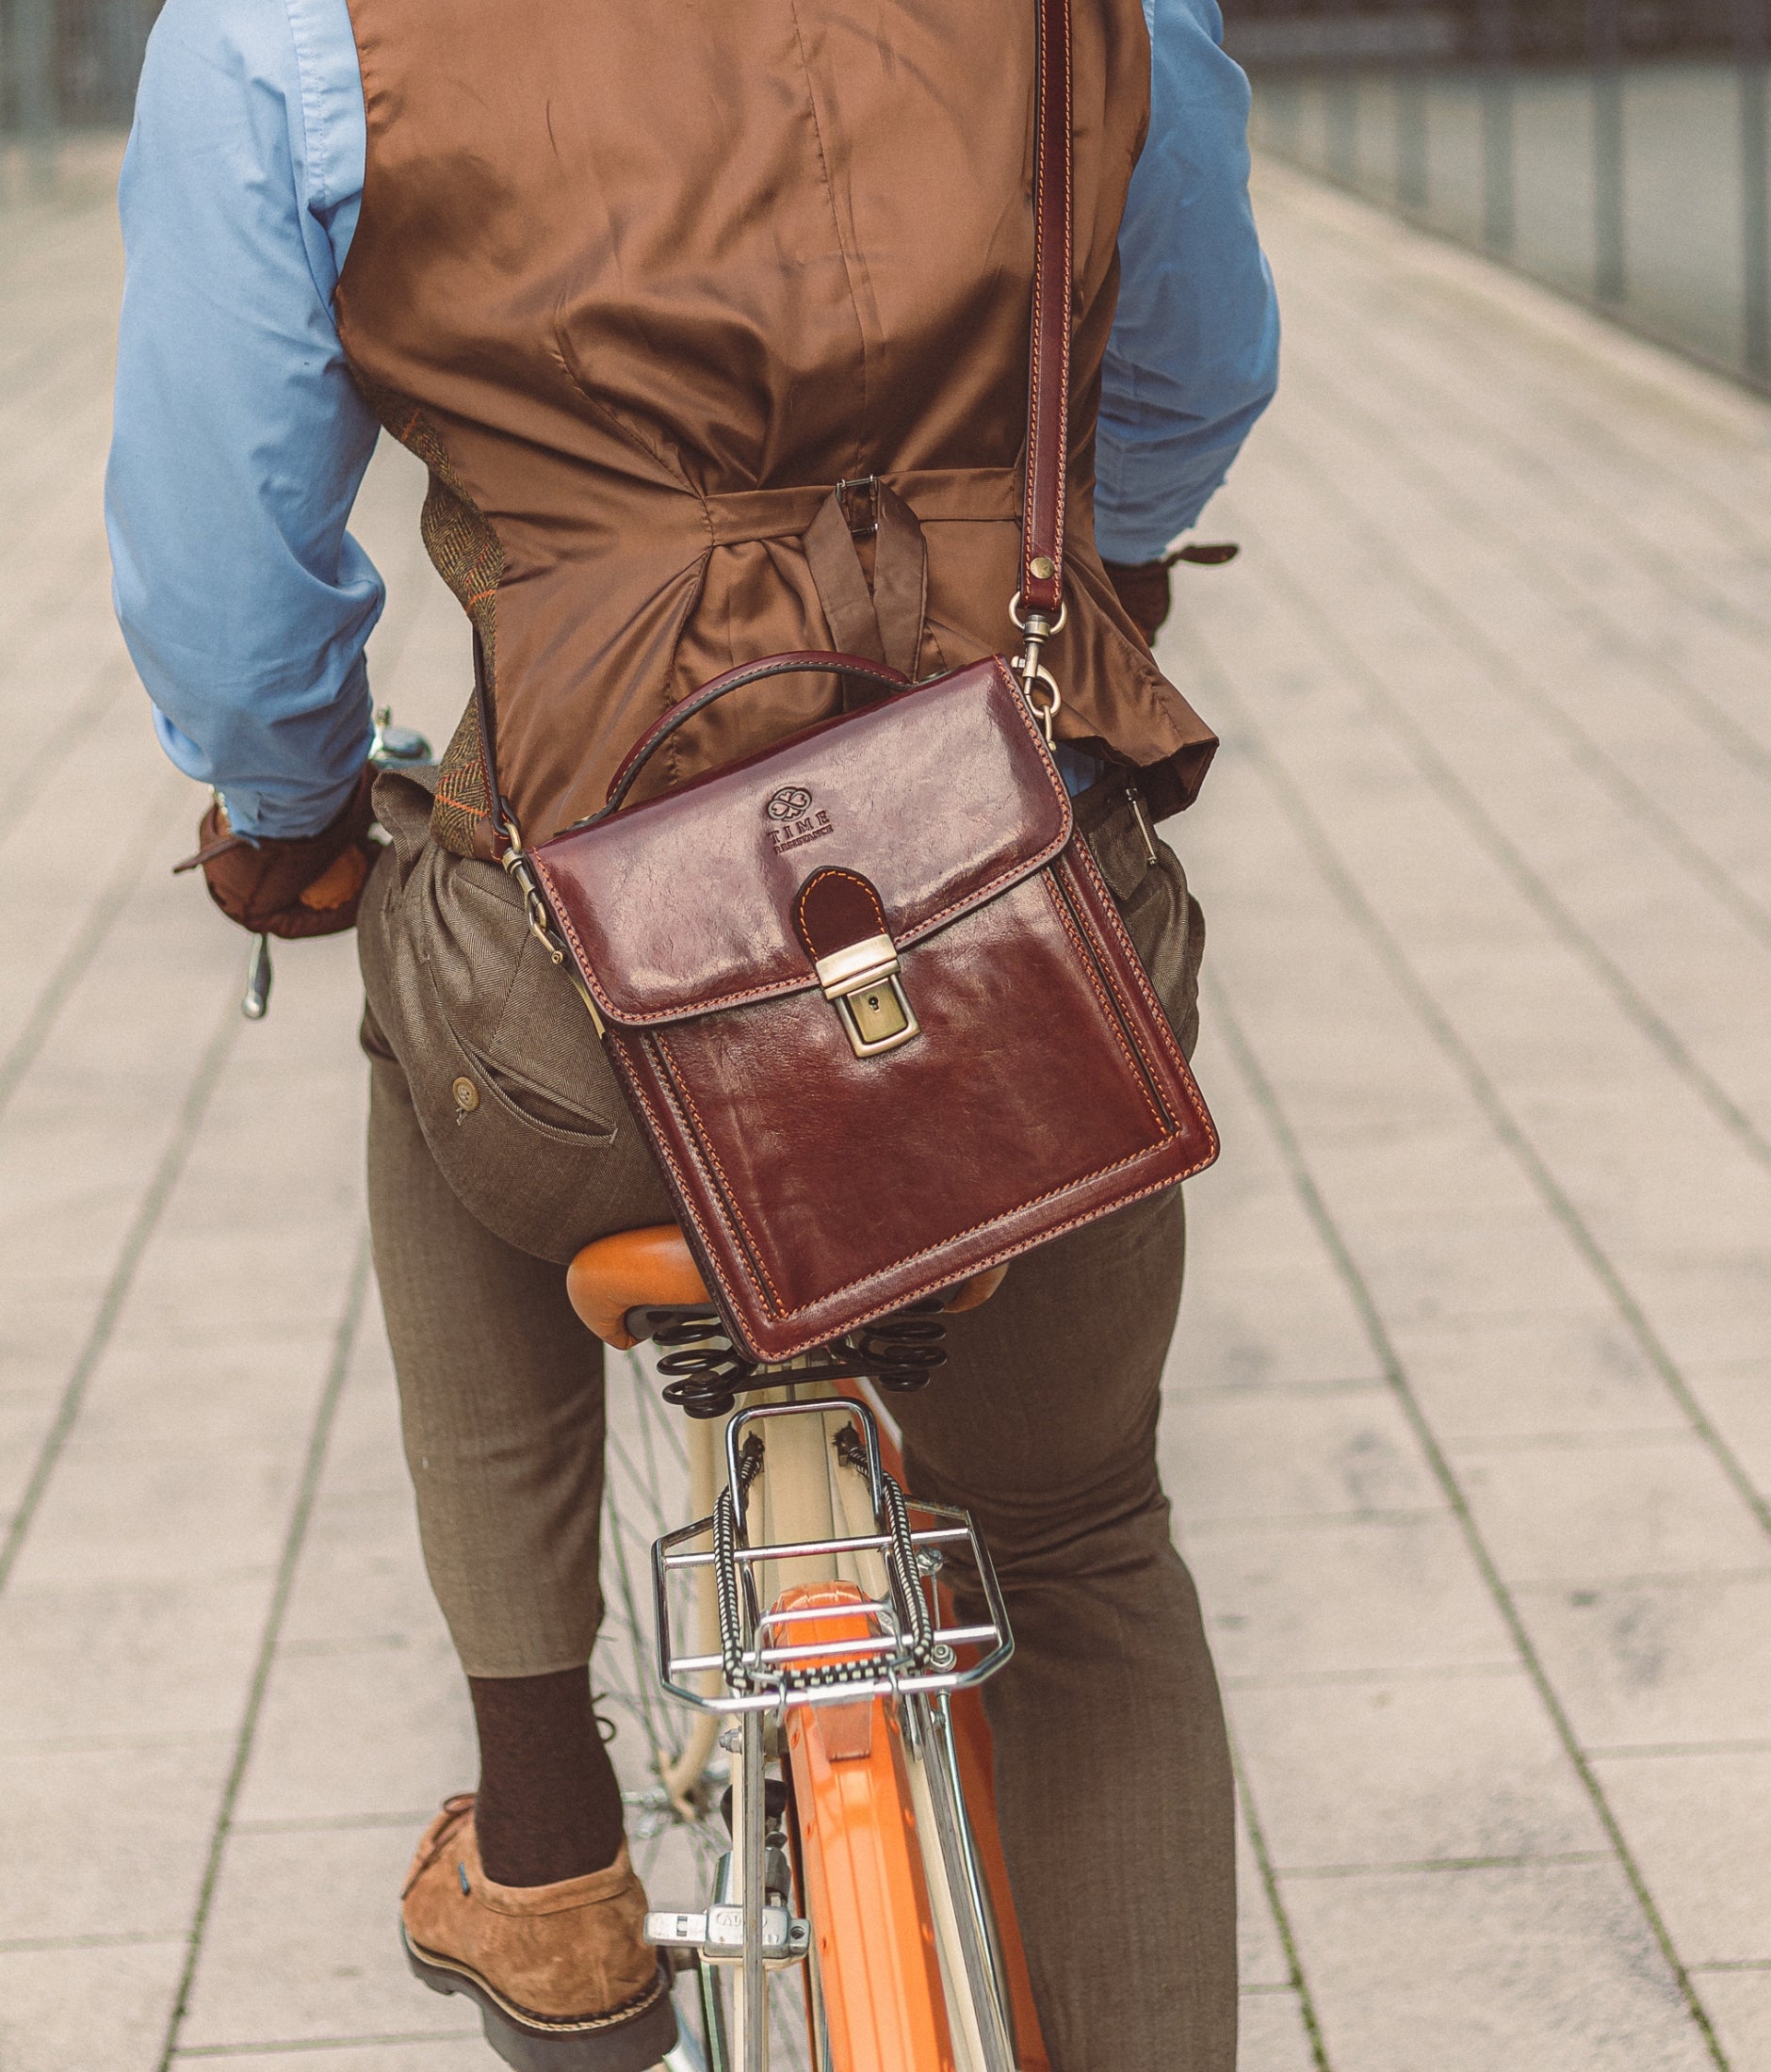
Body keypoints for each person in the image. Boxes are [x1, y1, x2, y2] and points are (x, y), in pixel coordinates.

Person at [108, 0, 1278, 2064]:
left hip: (603, 1008)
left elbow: (226, 555)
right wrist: (1063, 567)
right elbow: (1189, 364)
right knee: (1082, 1533)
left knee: (426, 945)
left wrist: (295, 812)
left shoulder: (287, 28)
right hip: (1011, 958)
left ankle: (547, 1839)